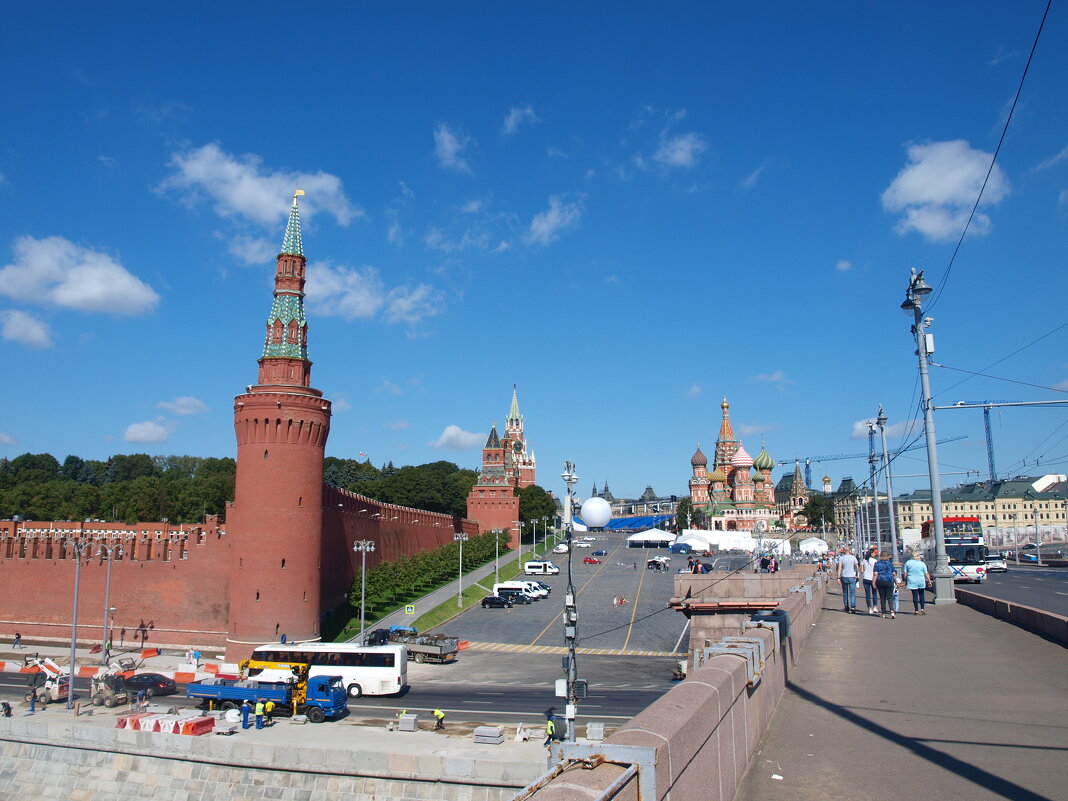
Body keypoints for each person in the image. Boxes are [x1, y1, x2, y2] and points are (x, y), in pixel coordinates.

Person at [873, 550, 898, 619]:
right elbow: (894, 573)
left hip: (880, 580)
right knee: (890, 597)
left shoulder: (877, 563)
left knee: (882, 598)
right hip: (889, 580)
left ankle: (883, 613)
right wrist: (896, 582)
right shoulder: (890, 563)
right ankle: (892, 611)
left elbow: (875, 574)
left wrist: (873, 582)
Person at [836, 546, 859, 613]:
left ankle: (846, 606)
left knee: (845, 592)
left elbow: (839, 568)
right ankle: (853, 606)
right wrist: (857, 574)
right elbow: (857, 567)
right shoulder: (853, 558)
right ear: (850, 550)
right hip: (852, 576)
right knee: (852, 592)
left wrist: (838, 578)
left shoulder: (841, 558)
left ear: (843, 551)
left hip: (844, 576)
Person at [861, 547, 878, 614]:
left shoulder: (864, 560)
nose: (875, 554)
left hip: (866, 578)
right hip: (873, 579)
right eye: (874, 553)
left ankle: (869, 608)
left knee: (867, 594)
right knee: (874, 593)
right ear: (871, 553)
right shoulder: (875, 561)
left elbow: (861, 570)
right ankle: (875, 607)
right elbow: (876, 571)